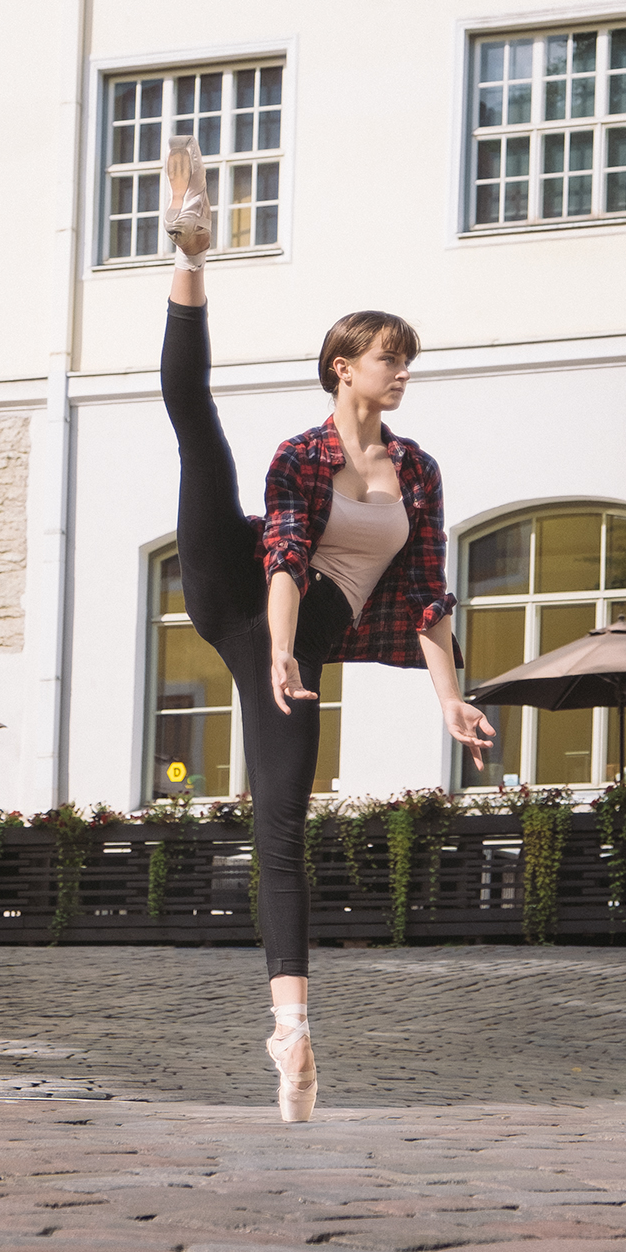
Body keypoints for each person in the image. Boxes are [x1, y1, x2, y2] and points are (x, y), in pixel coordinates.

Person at [158, 136, 495, 1122]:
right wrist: (275, 646)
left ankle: (291, 1030)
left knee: (281, 822)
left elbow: (427, 593)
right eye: (391, 358)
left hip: (301, 636)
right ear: (344, 368)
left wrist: (449, 697)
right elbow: (285, 550)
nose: (404, 372)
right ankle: (189, 253)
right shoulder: (301, 454)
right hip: (241, 588)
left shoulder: (418, 470)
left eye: (408, 360)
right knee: (198, 433)